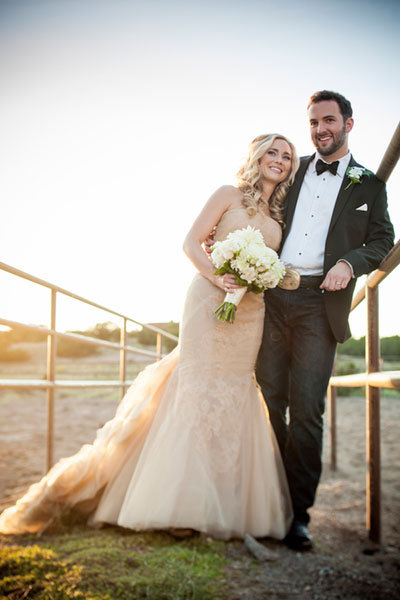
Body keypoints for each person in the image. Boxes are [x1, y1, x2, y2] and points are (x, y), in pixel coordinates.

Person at [0, 134, 299, 540]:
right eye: (272, 152)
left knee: (233, 392)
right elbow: (191, 243)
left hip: (250, 314)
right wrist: (218, 276)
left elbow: (278, 266)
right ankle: (180, 505)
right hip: (210, 300)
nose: (279, 160)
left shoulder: (281, 217)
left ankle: (225, 504)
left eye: (286, 156)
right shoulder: (227, 194)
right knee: (196, 390)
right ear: (257, 156)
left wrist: (271, 277)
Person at [255, 91, 394, 551]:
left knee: (308, 412)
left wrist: (350, 263)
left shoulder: (369, 184)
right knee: (268, 401)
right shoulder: (293, 173)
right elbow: (259, 205)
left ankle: (297, 517)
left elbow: (382, 239)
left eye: (329, 120)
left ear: (348, 125)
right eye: (314, 121)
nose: (320, 129)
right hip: (274, 295)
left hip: (321, 305)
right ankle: (265, 502)